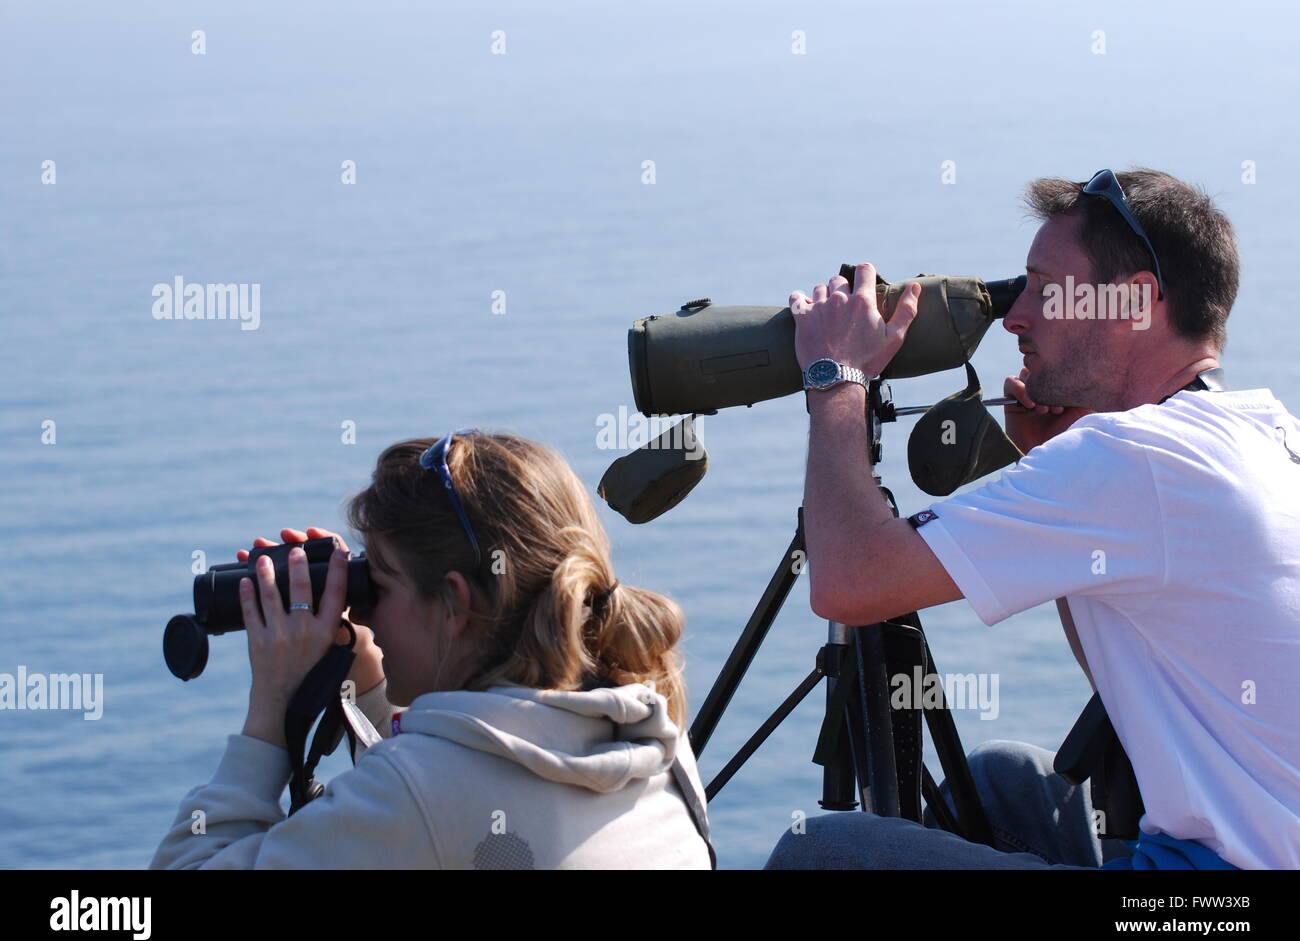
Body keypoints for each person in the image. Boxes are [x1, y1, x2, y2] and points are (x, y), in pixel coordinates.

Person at [767, 168, 1300, 870]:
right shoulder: (1261, 434)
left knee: (827, 854)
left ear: (1135, 302)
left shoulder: (1136, 459)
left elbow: (848, 582)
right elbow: (1132, 676)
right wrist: (1044, 455)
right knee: (1000, 785)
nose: (1015, 318)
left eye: (1044, 289)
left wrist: (835, 378)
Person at [151, 430, 713, 869]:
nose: (363, 608)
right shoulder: (653, 729)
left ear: (456, 605)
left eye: (381, 583)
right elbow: (438, 820)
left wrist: (271, 710)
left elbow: (426, 809)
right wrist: (367, 680)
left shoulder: (420, 795)